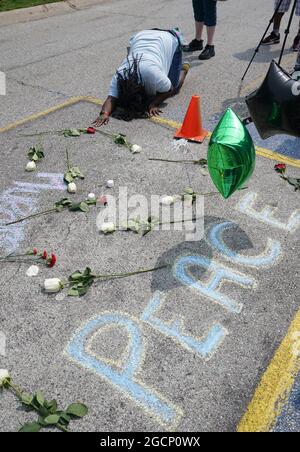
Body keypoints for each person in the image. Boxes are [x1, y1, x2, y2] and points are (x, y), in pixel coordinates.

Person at [92, 29, 190, 127]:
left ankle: (184, 67)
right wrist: (104, 113)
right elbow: (111, 98)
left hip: (169, 38)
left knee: (175, 87)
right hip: (141, 36)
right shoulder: (120, 76)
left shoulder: (153, 75)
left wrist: (154, 103)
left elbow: (169, 89)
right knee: (159, 85)